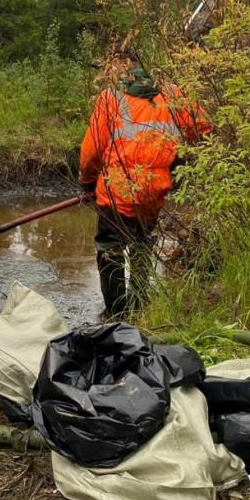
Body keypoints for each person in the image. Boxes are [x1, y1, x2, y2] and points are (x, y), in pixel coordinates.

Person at [78, 47, 211, 318]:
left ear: (124, 64)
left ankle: (115, 314)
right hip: (153, 188)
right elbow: (203, 130)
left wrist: (87, 182)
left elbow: (92, 151)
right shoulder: (172, 94)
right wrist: (182, 162)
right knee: (141, 243)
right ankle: (139, 306)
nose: (107, 74)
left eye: (110, 67)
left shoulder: (110, 98)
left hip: (116, 189)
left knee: (109, 248)